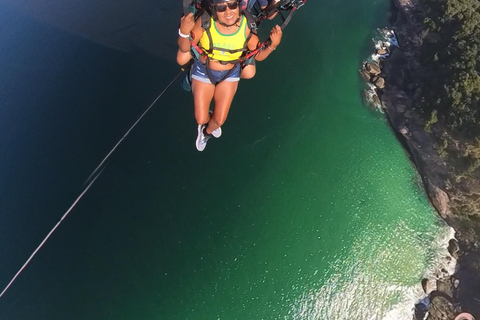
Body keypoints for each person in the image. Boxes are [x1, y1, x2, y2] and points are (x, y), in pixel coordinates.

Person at [177, 0, 282, 151]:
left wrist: (273, 45)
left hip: (229, 74)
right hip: (204, 71)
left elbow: (257, 55)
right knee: (201, 118)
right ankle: (204, 119)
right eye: (221, 7)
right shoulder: (205, 22)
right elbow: (185, 46)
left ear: (239, 5)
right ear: (214, 9)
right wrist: (184, 32)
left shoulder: (247, 26)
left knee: (218, 121)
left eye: (232, 5)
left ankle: (205, 133)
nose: (228, 11)